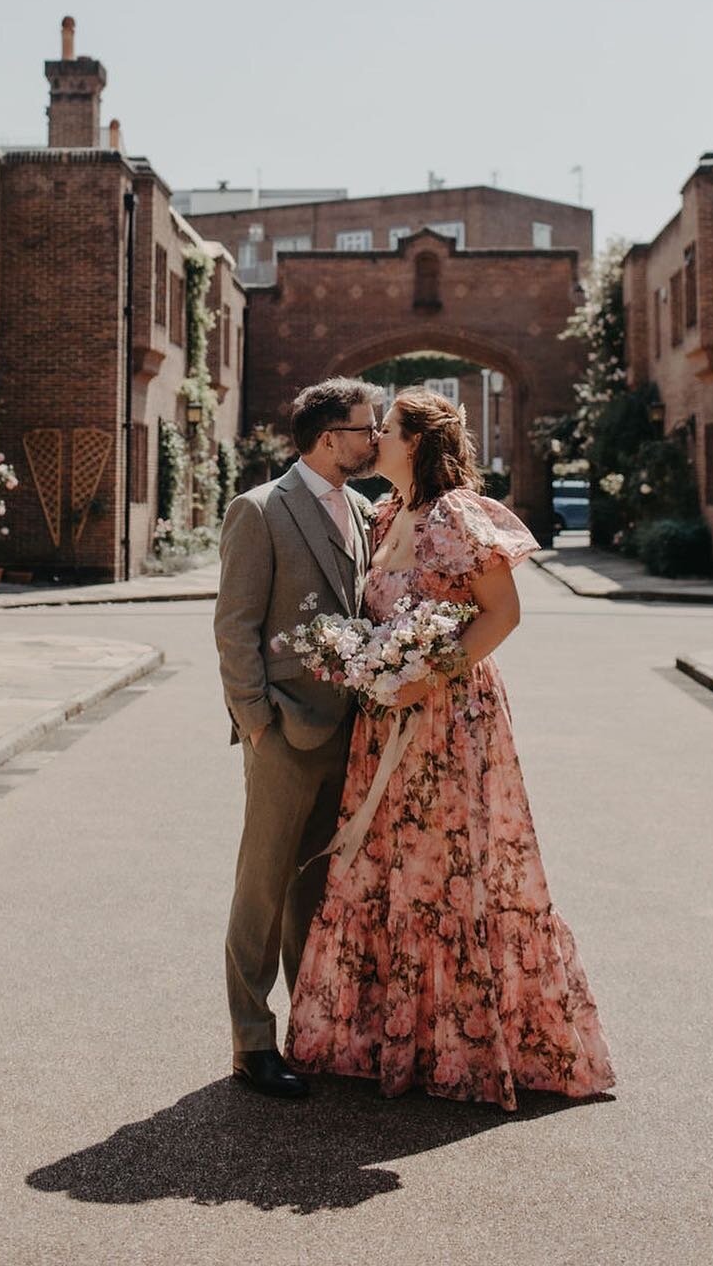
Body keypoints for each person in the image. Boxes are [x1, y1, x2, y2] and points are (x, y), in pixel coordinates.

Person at [286, 389, 615, 1112]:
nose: (373, 438)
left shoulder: (458, 516)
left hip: (450, 719)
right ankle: (384, 1040)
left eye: (388, 429)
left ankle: (464, 1045)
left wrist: (422, 675)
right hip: (386, 724)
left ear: (417, 443)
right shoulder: (383, 516)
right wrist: (372, 667)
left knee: (450, 868)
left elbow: (503, 613)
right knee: (389, 866)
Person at [215, 377, 384, 1099]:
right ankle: (251, 1044)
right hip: (284, 730)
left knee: (315, 888)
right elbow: (235, 628)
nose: (375, 439)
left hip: (350, 729)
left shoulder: (364, 509)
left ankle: (305, 1031)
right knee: (263, 887)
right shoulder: (259, 511)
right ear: (327, 437)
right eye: (365, 428)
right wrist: (257, 723)